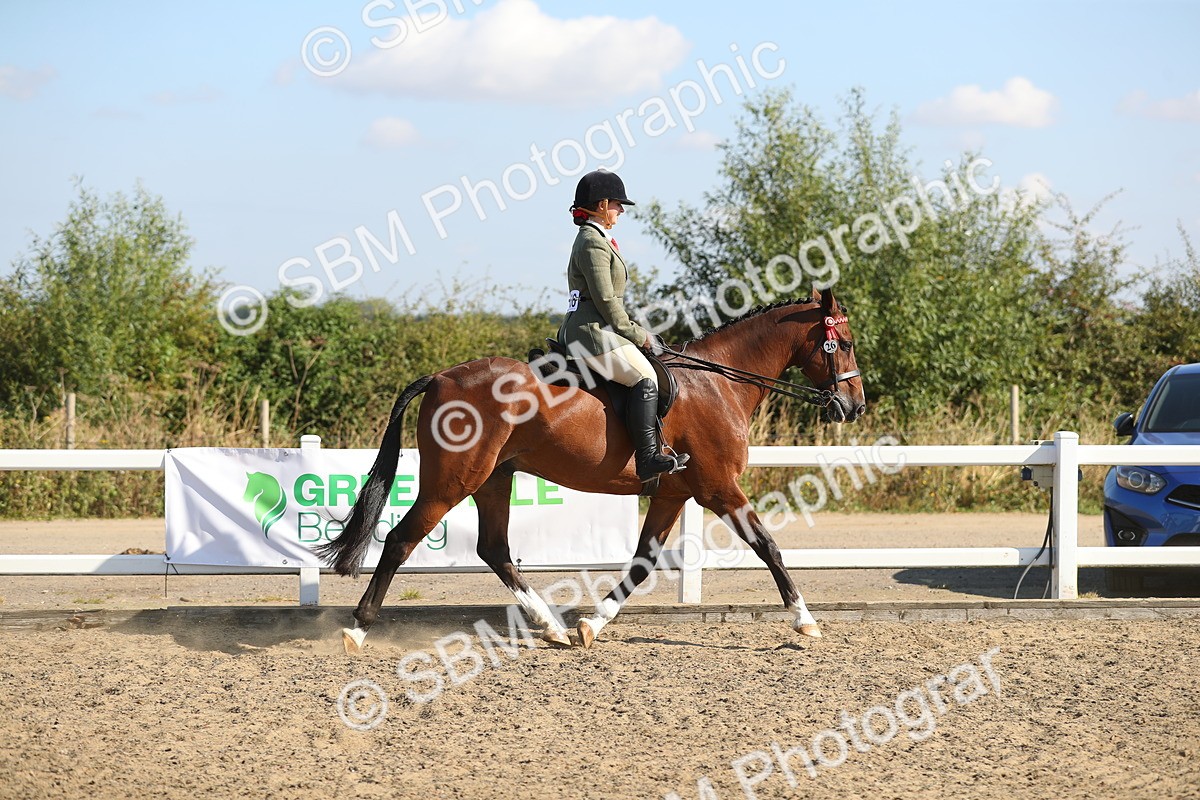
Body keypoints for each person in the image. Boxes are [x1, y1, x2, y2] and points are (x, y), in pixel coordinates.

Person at [557, 169, 689, 481]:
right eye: (617, 203)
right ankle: (647, 459)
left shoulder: (598, 240)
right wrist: (636, 334)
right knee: (645, 376)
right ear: (602, 204)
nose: (621, 210)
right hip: (591, 333)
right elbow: (606, 300)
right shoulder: (592, 242)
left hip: (594, 327)